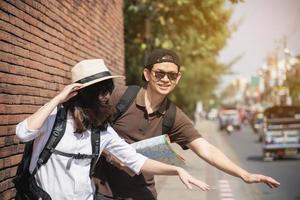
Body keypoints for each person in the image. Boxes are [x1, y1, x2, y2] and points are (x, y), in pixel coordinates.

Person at [94, 49, 280, 200]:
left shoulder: (173, 116)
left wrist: (244, 174)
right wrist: (110, 153)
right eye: (159, 73)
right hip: (104, 191)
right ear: (147, 74)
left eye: (172, 75)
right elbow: (87, 129)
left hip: (142, 193)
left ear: (178, 78)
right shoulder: (121, 97)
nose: (166, 79)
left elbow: (206, 148)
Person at [15, 59, 210, 200]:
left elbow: (136, 161)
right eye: (101, 92)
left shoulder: (102, 131)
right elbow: (23, 133)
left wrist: (176, 170)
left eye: (108, 90)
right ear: (84, 94)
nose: (107, 97)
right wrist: (58, 99)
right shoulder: (53, 119)